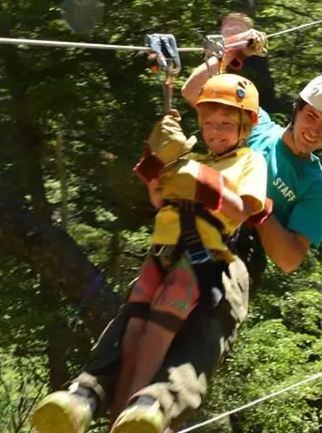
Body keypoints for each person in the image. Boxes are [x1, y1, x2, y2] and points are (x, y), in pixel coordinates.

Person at [31, 21, 322, 433]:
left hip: (239, 256)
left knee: (206, 330)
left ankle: (158, 407)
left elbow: (290, 258)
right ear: (296, 108)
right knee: (136, 318)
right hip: (193, 227)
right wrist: (229, 54)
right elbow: (196, 93)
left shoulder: (316, 189)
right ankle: (85, 395)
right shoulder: (257, 127)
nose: (314, 130)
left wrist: (257, 211)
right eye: (311, 116)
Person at [106, 73, 269, 430]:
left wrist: (202, 180)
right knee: (134, 328)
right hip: (163, 248)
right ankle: (115, 414)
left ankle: (137, 408)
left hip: (202, 254)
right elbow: (160, 198)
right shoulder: (194, 158)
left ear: (245, 126)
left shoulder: (249, 161)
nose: (216, 132)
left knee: (159, 329)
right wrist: (159, 169)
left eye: (226, 124)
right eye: (209, 124)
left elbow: (242, 210)